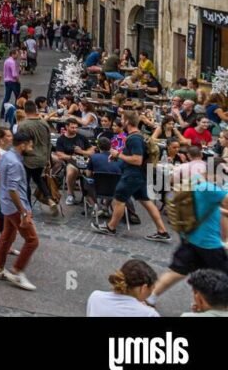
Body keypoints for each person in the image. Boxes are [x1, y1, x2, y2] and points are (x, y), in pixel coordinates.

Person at [150, 159, 228, 302]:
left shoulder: (196, 179)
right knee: (223, 277)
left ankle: (151, 298)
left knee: (177, 271)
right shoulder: (214, 190)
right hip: (209, 242)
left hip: (189, 236)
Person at [92, 111, 172, 242]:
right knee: (147, 202)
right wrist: (118, 156)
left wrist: (119, 155)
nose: (121, 122)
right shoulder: (136, 136)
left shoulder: (134, 138)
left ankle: (111, 227)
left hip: (132, 176)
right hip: (138, 176)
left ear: (128, 121)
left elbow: (137, 160)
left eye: (123, 119)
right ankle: (162, 231)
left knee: (118, 199)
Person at [0, 131, 39, 291]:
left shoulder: (7, 157)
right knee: (32, 241)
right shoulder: (16, 163)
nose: (32, 147)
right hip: (15, 207)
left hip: (6, 204)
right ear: (23, 144)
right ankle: (17, 272)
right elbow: (13, 189)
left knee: (7, 235)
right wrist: (24, 212)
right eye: (30, 144)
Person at [19, 101, 59, 216]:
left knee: (25, 182)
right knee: (38, 178)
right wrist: (47, 159)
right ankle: (49, 198)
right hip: (42, 157)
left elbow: (21, 143)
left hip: (29, 158)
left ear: (25, 110)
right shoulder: (44, 123)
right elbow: (48, 142)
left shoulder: (23, 125)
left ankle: (28, 208)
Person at [86, 260, 160, 317]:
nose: (150, 293)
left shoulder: (95, 297)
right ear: (143, 288)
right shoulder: (149, 314)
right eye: (151, 289)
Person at [53, 122, 94, 206]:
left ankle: (89, 196)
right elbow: (60, 154)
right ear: (66, 127)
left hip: (84, 161)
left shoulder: (82, 138)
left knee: (92, 172)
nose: (75, 129)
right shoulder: (61, 139)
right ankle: (70, 194)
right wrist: (71, 157)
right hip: (71, 162)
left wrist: (82, 151)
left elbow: (91, 151)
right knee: (71, 171)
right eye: (72, 127)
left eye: (76, 127)